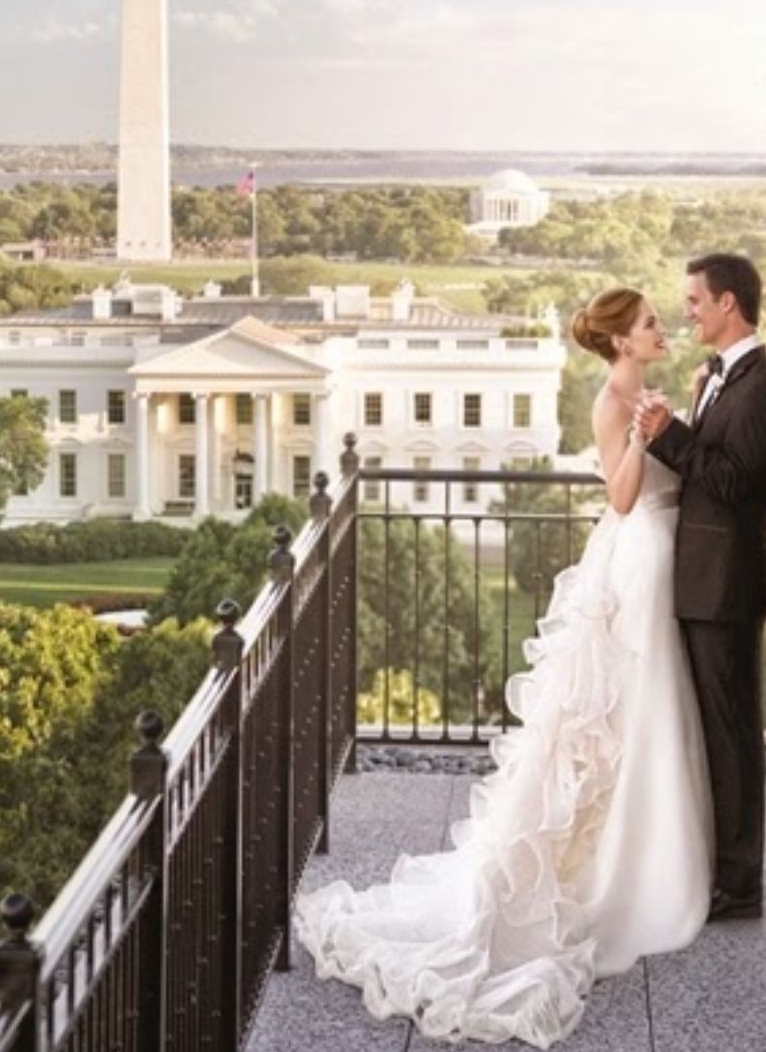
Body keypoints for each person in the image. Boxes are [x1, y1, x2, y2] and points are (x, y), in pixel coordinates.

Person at [292, 286, 711, 1048]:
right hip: (637, 552)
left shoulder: (641, 390)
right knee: (628, 709)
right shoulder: (613, 402)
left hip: (659, 552)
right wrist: (650, 436)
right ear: (620, 341)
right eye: (650, 322)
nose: (661, 329)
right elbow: (620, 497)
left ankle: (646, 857)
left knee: (648, 712)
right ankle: (614, 877)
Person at [637, 253, 766, 919]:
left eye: (696, 301)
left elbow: (733, 483)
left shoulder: (765, 389)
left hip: (727, 586)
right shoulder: (721, 378)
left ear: (729, 303)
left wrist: (667, 434)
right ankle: (720, 867)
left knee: (733, 736)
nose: (688, 312)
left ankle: (741, 885)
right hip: (702, 581)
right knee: (714, 734)